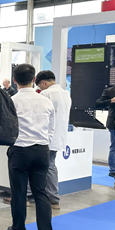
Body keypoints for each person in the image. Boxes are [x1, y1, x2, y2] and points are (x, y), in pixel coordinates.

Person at [7, 64, 56, 230]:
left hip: (20, 150)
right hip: (42, 150)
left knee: (19, 192)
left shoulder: (12, 101)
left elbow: (7, 128)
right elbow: (51, 128)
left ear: (14, 80)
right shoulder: (46, 101)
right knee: (41, 192)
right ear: (34, 79)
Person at [35, 70, 72, 210]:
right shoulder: (66, 93)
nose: (39, 88)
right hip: (58, 136)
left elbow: (40, 116)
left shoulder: (46, 94)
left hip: (45, 137)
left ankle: (52, 198)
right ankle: (52, 197)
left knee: (44, 166)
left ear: (43, 83)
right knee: (50, 164)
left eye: (39, 86)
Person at [95, 77, 115, 176]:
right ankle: (113, 170)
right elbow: (98, 104)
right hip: (114, 124)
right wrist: (111, 101)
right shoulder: (109, 91)